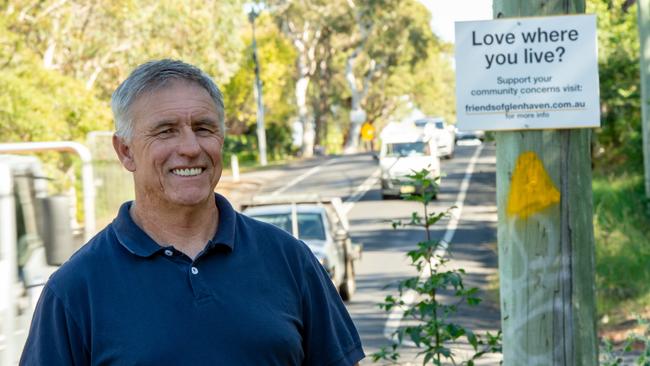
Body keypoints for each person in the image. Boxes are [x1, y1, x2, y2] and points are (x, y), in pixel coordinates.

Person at [20, 59, 365, 365]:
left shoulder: (290, 259)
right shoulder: (75, 289)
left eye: (203, 128)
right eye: (165, 131)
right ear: (125, 152)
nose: (190, 148)